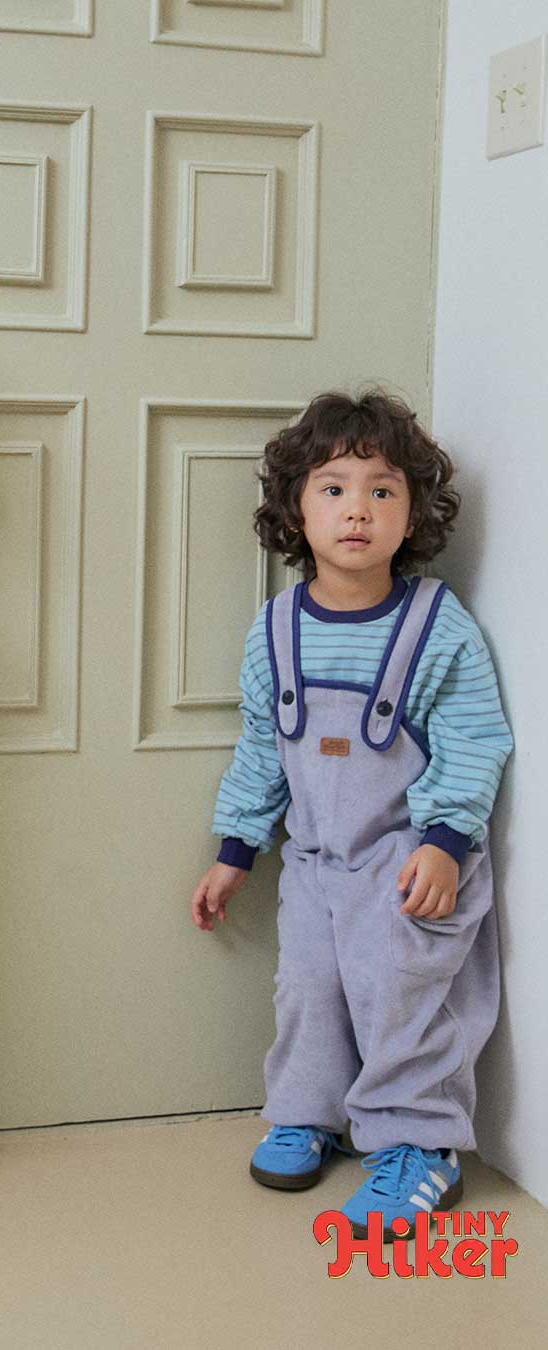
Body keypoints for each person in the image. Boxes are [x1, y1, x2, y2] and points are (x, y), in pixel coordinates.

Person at [190, 391, 512, 1241]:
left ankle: (419, 1144)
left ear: (414, 512)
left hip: (410, 862)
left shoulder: (437, 625)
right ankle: (311, 1114)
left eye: (382, 490)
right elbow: (262, 749)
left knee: (399, 996)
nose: (358, 510)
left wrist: (446, 842)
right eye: (333, 489)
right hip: (315, 861)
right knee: (309, 989)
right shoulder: (275, 629)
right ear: (297, 509)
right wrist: (235, 849)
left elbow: (475, 740)